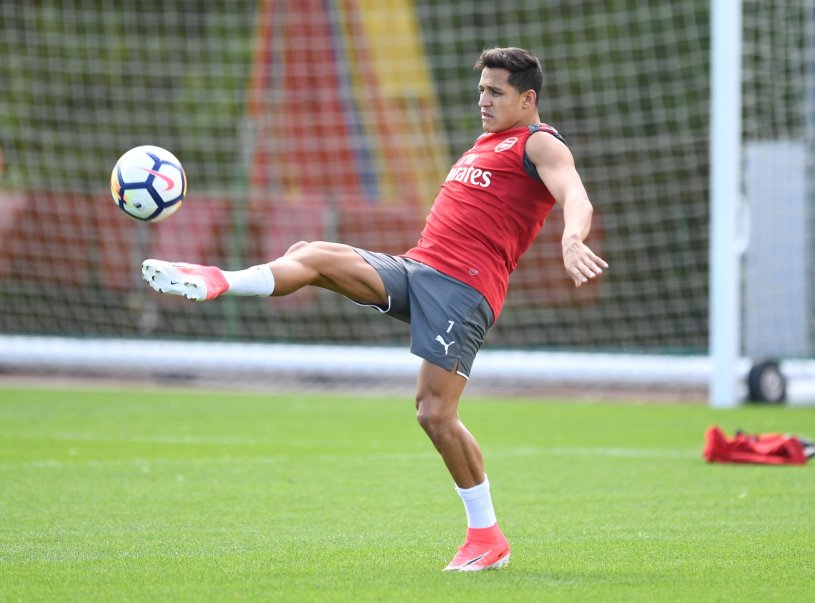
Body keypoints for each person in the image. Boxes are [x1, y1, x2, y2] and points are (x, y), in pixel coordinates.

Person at [141, 46, 607, 571]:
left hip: (462, 291)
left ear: (527, 99)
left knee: (434, 413)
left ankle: (487, 537)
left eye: (496, 92)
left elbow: (576, 196)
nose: (483, 99)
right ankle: (219, 280)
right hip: (417, 268)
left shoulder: (539, 143)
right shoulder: (484, 143)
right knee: (312, 254)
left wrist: (572, 238)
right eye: (481, 89)